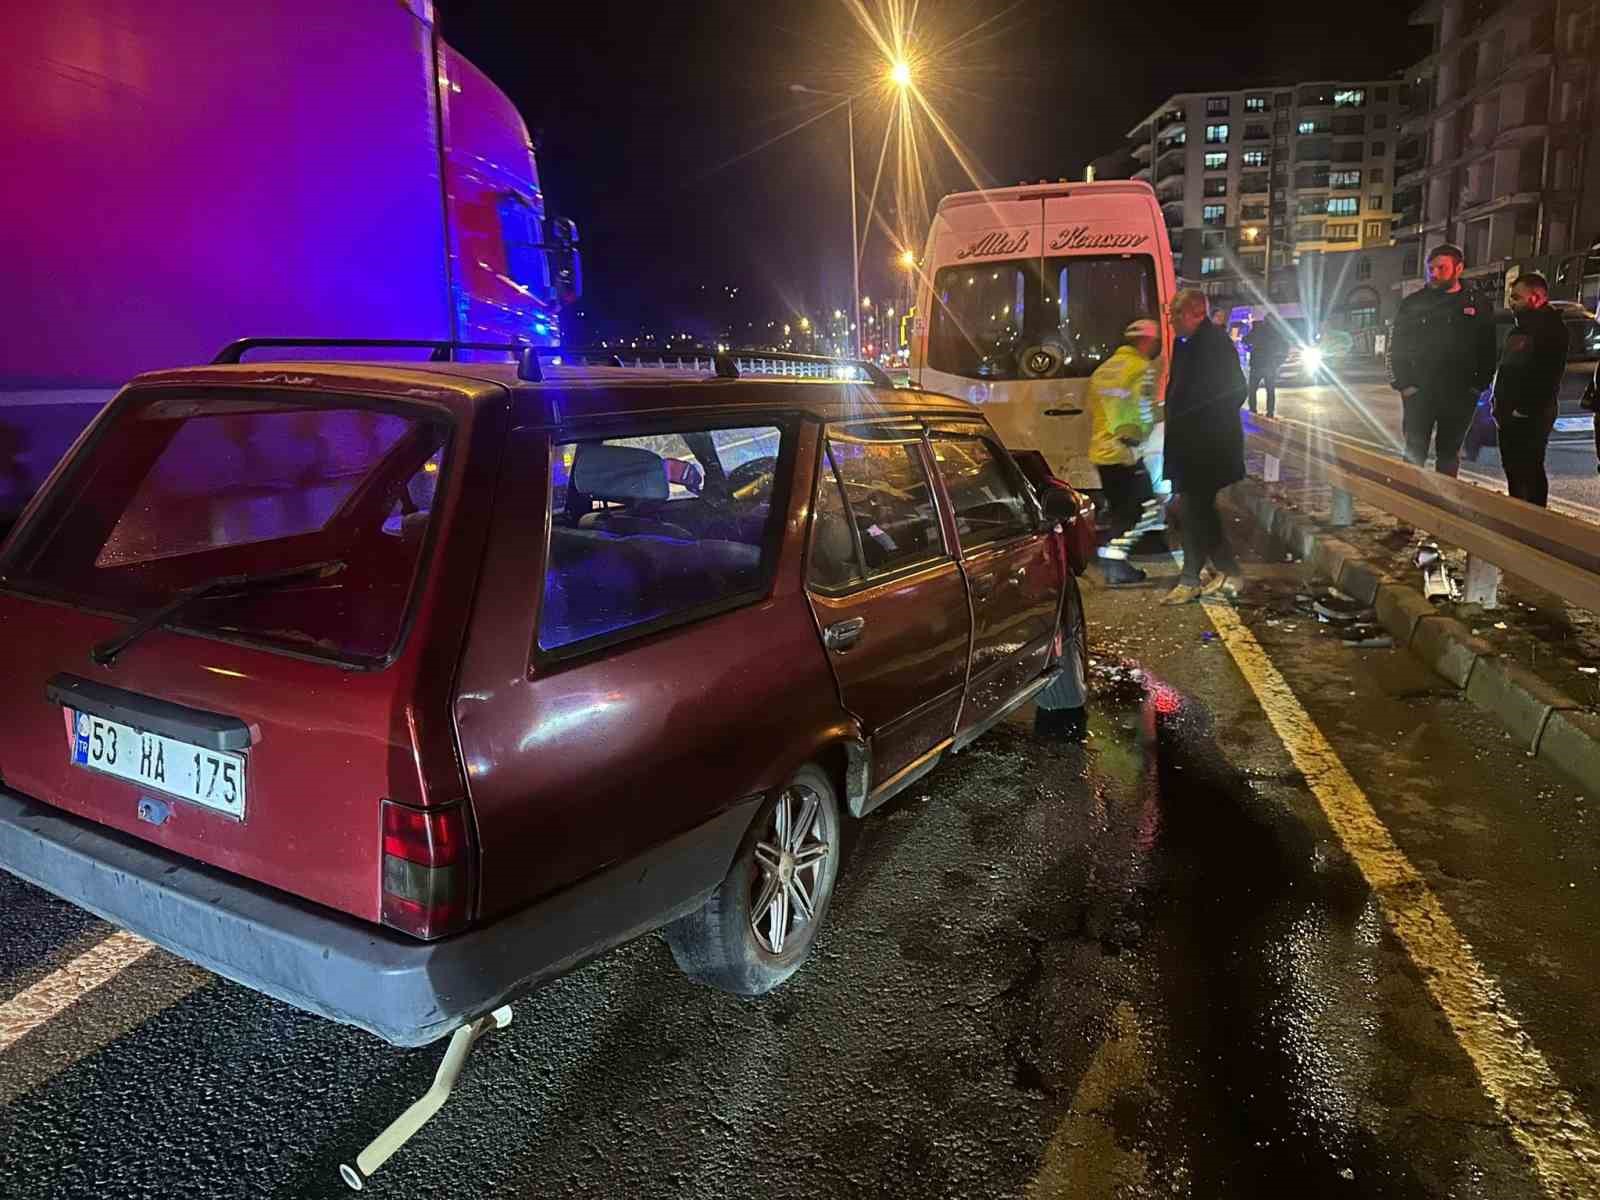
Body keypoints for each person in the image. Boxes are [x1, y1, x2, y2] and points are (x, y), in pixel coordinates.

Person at [1161, 289, 1248, 605]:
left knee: (1193, 510)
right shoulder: (1185, 345)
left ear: (1197, 312)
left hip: (1207, 446)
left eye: (1176, 314)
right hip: (1189, 445)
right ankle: (1226, 571)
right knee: (1197, 510)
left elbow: (1237, 390)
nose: (1171, 321)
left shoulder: (1215, 344)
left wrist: (1203, 421)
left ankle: (1192, 577)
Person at [1386, 243, 1498, 477]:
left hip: (1460, 394)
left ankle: (1442, 509)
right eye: (1431, 268)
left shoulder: (1477, 304)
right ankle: (1408, 509)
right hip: (1420, 392)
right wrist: (1404, 385)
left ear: (1458, 269)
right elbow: (1396, 347)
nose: (1434, 273)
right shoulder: (1413, 303)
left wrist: (1478, 386)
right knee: (1414, 451)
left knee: (1448, 454)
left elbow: (1488, 348)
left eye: (1441, 268)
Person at [1087, 318, 1162, 585]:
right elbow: (1144, 409)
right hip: (1124, 452)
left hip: (1102, 451)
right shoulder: (1141, 368)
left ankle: (1115, 563)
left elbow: (1097, 408)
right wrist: (1151, 424)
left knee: (1123, 511)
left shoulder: (1103, 370)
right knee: (1146, 510)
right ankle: (1112, 561)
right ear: (1146, 341)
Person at [1492, 273, 1570, 506]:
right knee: (1514, 470)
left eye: (1516, 297)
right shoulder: (1520, 329)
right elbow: (1508, 369)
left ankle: (1534, 523)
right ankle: (1519, 518)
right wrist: (1499, 405)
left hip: (1529, 415)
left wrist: (1524, 409)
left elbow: (1547, 375)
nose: (1512, 303)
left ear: (1535, 298)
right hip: (1510, 413)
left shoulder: (1550, 330)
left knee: (1530, 469)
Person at [1244, 316, 1288, 417]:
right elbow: (1285, 348)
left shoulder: (1257, 329)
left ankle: (1253, 410)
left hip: (1257, 365)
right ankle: (1270, 412)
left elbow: (1245, 340)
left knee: (1252, 389)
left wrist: (1249, 347)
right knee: (1270, 390)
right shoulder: (1277, 333)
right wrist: (1278, 363)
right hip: (1269, 366)